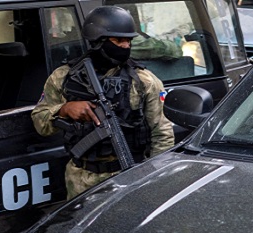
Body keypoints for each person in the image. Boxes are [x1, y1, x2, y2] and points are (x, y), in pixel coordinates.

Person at [32, 6, 174, 199]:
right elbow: (40, 122)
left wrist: (153, 177)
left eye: (129, 41)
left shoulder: (144, 81)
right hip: (81, 179)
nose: (125, 46)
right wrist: (64, 109)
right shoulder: (63, 77)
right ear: (98, 41)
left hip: (130, 175)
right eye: (118, 40)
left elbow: (162, 133)